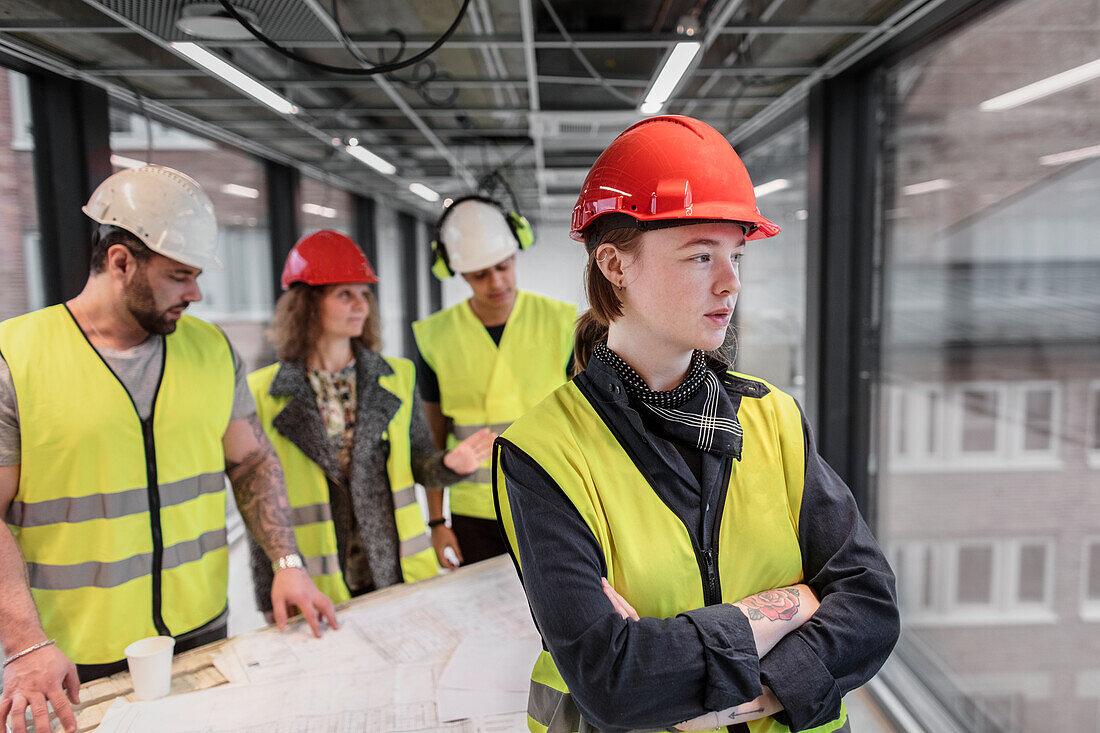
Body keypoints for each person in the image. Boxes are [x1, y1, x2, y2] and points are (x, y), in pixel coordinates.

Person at [494, 116, 900, 733]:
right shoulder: (543, 453)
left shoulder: (772, 417)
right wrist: (793, 604)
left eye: (735, 254)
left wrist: (746, 688)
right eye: (700, 255)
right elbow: (614, 681)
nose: (730, 283)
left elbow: (871, 604)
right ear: (615, 264)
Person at [0, 166, 336, 733]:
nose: (196, 293)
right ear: (121, 262)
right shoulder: (17, 359)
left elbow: (250, 461)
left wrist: (287, 563)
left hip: (200, 629)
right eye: (180, 275)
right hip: (70, 655)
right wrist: (24, 643)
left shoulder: (210, 350)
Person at [247, 230, 494, 612]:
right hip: (313, 578)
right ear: (308, 304)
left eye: (364, 294)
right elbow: (258, 502)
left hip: (390, 570)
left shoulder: (396, 377)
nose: (360, 305)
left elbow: (421, 461)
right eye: (345, 294)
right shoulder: (262, 392)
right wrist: (271, 585)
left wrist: (449, 465)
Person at [412, 196, 575, 567]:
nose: (496, 282)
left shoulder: (562, 323)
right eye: (479, 275)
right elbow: (434, 438)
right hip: (473, 512)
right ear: (459, 274)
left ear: (515, 256)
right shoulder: (434, 337)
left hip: (550, 501)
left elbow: (584, 425)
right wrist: (437, 522)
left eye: (502, 267)